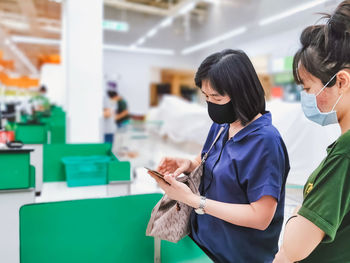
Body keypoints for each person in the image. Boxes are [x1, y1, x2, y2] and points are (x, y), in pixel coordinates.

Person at [149, 49, 290, 262]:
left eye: (216, 96)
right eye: (206, 96)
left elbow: (260, 217)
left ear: (242, 93)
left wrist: (193, 200)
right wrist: (188, 163)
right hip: (204, 247)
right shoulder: (223, 126)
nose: (210, 103)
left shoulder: (265, 142)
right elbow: (207, 158)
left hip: (239, 256)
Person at [273, 2, 350, 262]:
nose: (306, 98)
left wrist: (297, 211)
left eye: (307, 88)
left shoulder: (344, 155)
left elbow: (294, 247)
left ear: (341, 82)